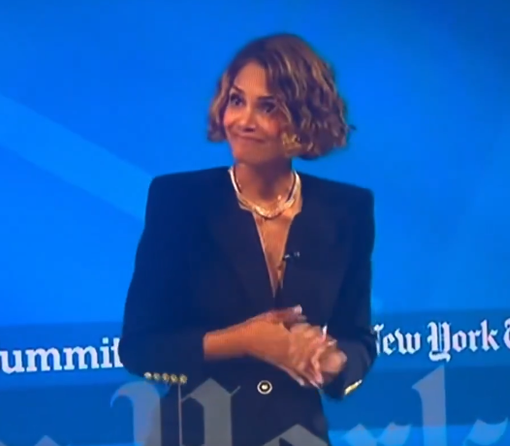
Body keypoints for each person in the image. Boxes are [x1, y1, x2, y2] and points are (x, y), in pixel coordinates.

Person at [118, 33, 377, 446]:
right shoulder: (180, 202)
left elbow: (358, 337)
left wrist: (330, 359)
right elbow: (140, 346)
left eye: (267, 107)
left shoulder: (346, 211)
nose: (243, 120)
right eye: (237, 100)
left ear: (303, 118)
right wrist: (245, 341)